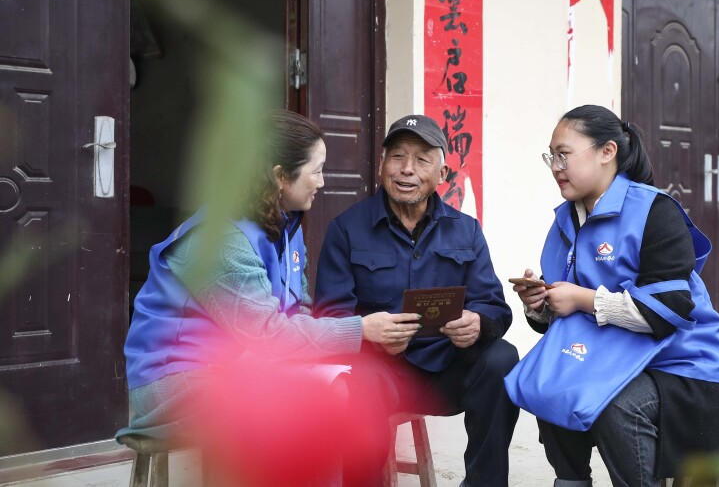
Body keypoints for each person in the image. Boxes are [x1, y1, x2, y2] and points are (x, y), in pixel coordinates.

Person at [121, 110, 420, 485]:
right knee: (310, 402)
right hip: (177, 382)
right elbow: (268, 335)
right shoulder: (222, 241)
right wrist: (360, 330)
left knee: (349, 386)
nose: (323, 182)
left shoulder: (285, 228)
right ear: (280, 176)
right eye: (316, 170)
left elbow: (300, 313)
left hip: (241, 365)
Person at [512, 104, 719, 487]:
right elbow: (565, 310)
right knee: (546, 381)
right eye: (551, 156)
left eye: (564, 154)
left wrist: (582, 299)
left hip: (682, 367)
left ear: (607, 152)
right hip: (612, 357)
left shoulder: (654, 210)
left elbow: (667, 313)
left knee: (616, 403)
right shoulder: (565, 220)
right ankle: (570, 480)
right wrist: (541, 305)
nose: (555, 166)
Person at [314, 114, 520, 487]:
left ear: (442, 174)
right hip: (381, 374)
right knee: (360, 379)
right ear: (381, 165)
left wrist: (477, 324)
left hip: (448, 372)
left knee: (503, 358)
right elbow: (328, 316)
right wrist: (368, 334)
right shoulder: (346, 229)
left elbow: (494, 307)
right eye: (397, 157)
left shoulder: (466, 230)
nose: (407, 169)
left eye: (422, 159)